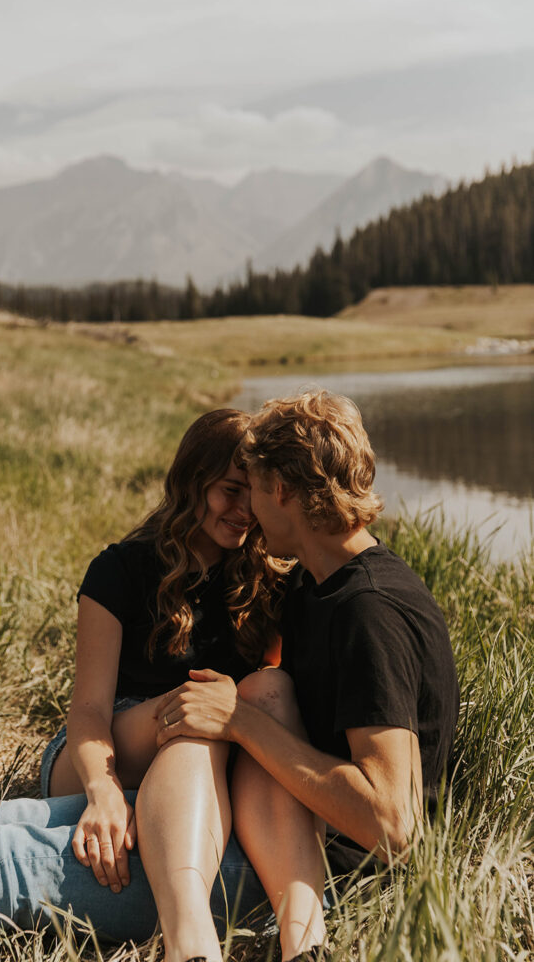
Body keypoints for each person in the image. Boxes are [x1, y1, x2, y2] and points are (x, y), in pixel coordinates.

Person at [0, 409, 289, 962]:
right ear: (192, 480)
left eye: (256, 494)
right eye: (231, 490)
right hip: (102, 750)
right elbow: (86, 708)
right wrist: (104, 795)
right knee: (193, 712)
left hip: (199, 777)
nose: (244, 510)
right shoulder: (121, 569)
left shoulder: (263, 579)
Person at [155, 390, 460, 960]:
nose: (248, 511)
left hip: (327, 872)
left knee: (32, 862)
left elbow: (391, 826)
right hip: (285, 826)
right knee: (34, 828)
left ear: (283, 491)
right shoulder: (314, 587)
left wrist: (242, 722)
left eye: (254, 488)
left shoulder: (370, 611)